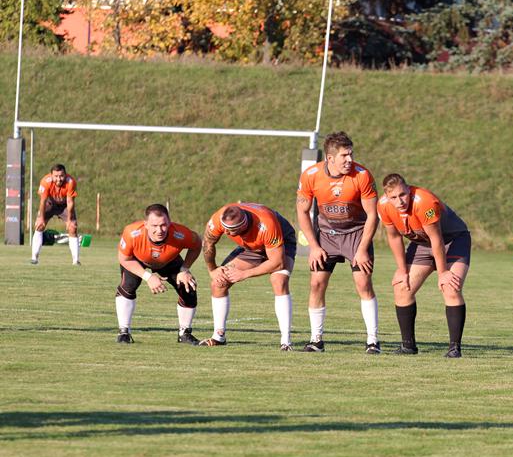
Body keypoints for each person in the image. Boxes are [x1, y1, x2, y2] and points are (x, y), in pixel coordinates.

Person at [296, 131, 380, 353]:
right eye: (345, 155)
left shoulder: (362, 175)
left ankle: (373, 341)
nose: (350, 160)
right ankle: (316, 340)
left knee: (363, 284)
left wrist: (362, 249)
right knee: (316, 285)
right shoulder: (311, 175)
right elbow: (302, 212)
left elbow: (373, 215)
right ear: (330, 158)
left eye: (351, 154)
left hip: (356, 234)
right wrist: (313, 247)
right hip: (327, 235)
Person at [378, 174, 471, 358]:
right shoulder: (383, 206)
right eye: (394, 197)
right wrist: (402, 270)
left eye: (403, 195)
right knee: (402, 287)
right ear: (387, 197)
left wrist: (443, 272)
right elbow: (394, 237)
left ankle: (454, 349)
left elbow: (437, 239)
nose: (400, 201)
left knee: (450, 287)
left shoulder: (425, 202)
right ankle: (408, 346)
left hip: (453, 240)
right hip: (422, 243)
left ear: (409, 190)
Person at [199, 202, 297, 349]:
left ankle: (285, 341)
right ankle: (218, 336)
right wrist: (212, 269)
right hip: (252, 248)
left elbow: (277, 263)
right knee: (219, 282)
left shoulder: (266, 223)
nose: (227, 233)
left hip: (281, 243)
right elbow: (208, 243)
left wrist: (244, 274)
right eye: (225, 229)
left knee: (279, 280)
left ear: (243, 225)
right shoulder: (219, 218)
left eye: (231, 230)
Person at [115, 204, 201, 344]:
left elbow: (197, 245)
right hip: (137, 259)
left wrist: (184, 269)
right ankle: (124, 332)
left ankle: (184, 333)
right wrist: (148, 277)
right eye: (154, 226)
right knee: (128, 286)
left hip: (169, 260)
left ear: (169, 222)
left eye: (163, 225)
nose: (159, 230)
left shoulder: (181, 233)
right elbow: (124, 258)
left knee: (188, 287)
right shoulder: (132, 233)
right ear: (146, 225)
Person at [31, 164, 80, 265]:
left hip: (64, 205)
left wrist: (70, 220)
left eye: (61, 176)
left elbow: (70, 202)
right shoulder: (45, 182)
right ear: (51, 175)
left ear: (65, 175)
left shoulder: (71, 182)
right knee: (39, 225)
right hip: (50, 203)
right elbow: (43, 201)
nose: (59, 179)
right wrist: (41, 218)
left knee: (72, 228)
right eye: (56, 176)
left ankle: (75, 261)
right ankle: (34, 258)